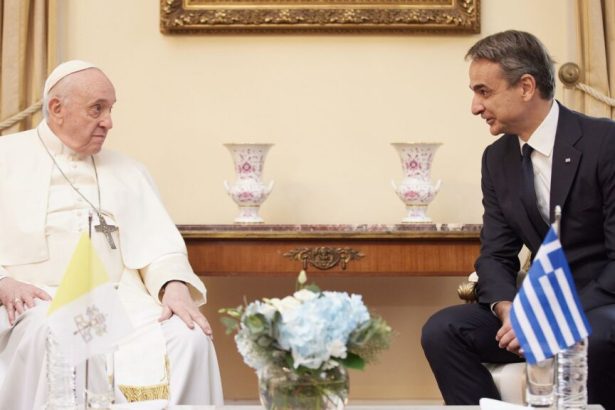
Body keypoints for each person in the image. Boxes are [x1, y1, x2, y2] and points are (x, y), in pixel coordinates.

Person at [0, 60, 224, 409]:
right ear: (57, 109)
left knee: (189, 336)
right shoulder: (6, 158)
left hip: (121, 302)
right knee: (60, 330)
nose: (108, 122)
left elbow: (161, 249)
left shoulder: (129, 170)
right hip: (35, 302)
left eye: (110, 109)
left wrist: (173, 286)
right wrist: (4, 282)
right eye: (97, 109)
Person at [421, 30, 615, 409]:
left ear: (526, 87)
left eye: (484, 91)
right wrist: (509, 309)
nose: (475, 107)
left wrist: (552, 317)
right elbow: (495, 254)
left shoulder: (605, 142)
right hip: (536, 308)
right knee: (443, 330)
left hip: (601, 303)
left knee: (595, 336)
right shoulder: (497, 159)